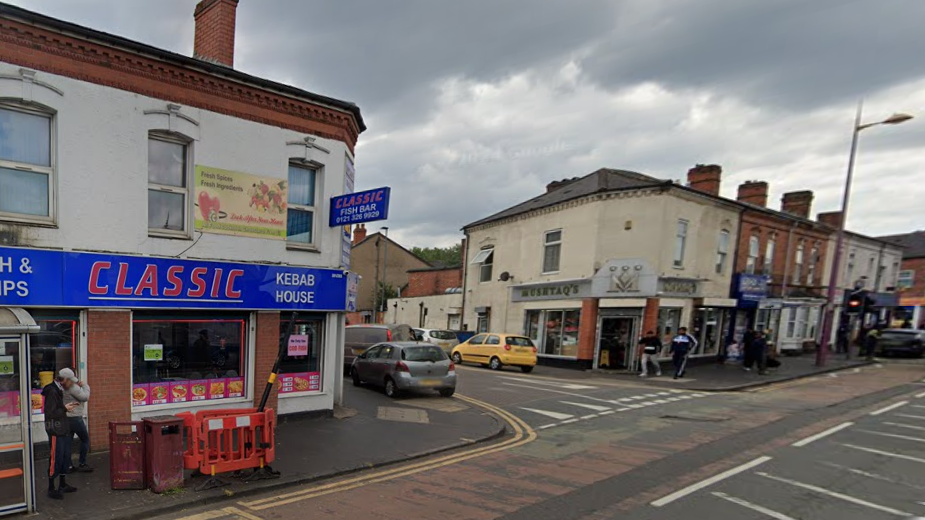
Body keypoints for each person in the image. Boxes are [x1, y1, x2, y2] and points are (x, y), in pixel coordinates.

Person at [43, 371, 79, 500]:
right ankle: (51, 488)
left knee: (64, 457)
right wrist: (65, 408)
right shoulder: (52, 391)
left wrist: (65, 407)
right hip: (55, 431)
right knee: (55, 458)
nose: (71, 384)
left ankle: (62, 484)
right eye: (70, 381)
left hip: (62, 429)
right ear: (64, 380)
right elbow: (50, 413)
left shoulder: (58, 389)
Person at [61, 368, 92, 473]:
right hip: (75, 418)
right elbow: (85, 397)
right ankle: (82, 463)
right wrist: (85, 386)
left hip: (66, 417)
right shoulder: (73, 387)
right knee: (85, 439)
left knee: (68, 442)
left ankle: (68, 466)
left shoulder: (61, 387)